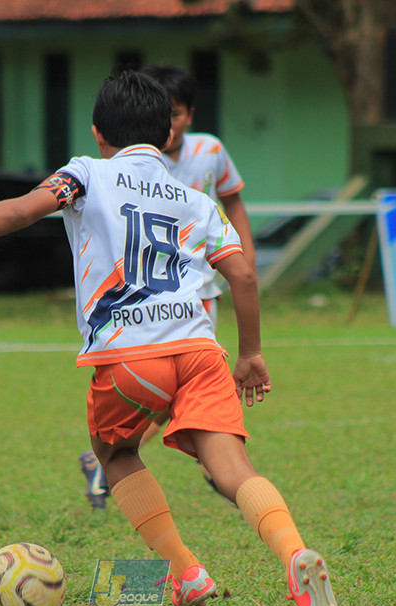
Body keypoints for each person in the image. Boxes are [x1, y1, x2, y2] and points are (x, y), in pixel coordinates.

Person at [0, 70, 343, 606]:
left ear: (99, 132)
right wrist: (252, 353)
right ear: (166, 134)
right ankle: (294, 556)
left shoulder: (86, 172)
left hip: (132, 355)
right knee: (234, 469)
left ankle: (186, 572)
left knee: (114, 453)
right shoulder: (194, 197)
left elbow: (22, 211)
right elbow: (244, 275)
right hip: (202, 351)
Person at [79, 63, 256, 508]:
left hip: (199, 291)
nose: (172, 124)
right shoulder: (118, 168)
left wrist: (243, 256)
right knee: (172, 384)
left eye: (178, 114)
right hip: (144, 296)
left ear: (189, 115)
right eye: (167, 114)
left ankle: (122, 459)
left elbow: (232, 201)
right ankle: (215, 463)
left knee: (182, 381)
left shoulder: (209, 152)